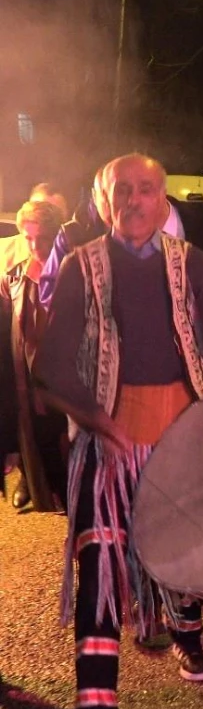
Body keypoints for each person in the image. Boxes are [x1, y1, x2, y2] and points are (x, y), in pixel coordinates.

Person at [32, 154, 203, 709]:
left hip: (183, 434)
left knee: (183, 552)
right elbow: (51, 367)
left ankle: (187, 634)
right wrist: (101, 425)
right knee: (101, 569)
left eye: (147, 189)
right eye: (122, 191)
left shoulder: (195, 264)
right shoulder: (83, 266)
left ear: (164, 200)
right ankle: (96, 708)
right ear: (103, 202)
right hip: (108, 441)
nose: (135, 200)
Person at [1, 201, 69, 511]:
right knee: (38, 439)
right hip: (28, 377)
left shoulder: (73, 271)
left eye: (41, 238)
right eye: (28, 238)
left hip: (67, 377)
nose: (35, 245)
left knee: (68, 442)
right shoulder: (13, 277)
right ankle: (41, 486)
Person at [38, 167, 112, 310]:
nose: (112, 201)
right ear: (94, 196)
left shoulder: (143, 230)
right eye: (106, 193)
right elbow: (50, 291)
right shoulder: (72, 234)